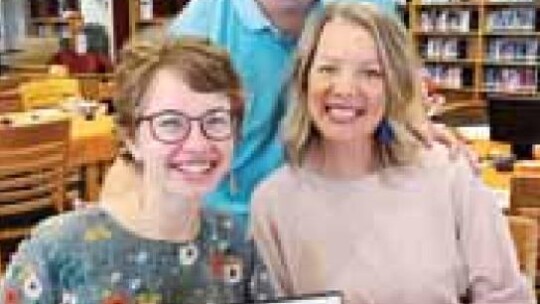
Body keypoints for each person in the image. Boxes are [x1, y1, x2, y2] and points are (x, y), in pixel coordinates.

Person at [250, 3, 534, 304]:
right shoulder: (272, 205)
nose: (345, 88)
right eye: (328, 68)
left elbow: (506, 297)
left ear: (393, 87)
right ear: (304, 80)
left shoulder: (449, 175)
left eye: (371, 73)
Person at [103, 0, 460, 215]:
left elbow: (401, 94)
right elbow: (141, 153)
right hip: (230, 238)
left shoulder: (369, 7)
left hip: (343, 223)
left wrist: (416, 133)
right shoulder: (199, 28)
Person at [0, 37, 274, 304]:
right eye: (170, 123)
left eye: (215, 120)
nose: (197, 143)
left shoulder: (239, 243)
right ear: (131, 139)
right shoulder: (57, 248)